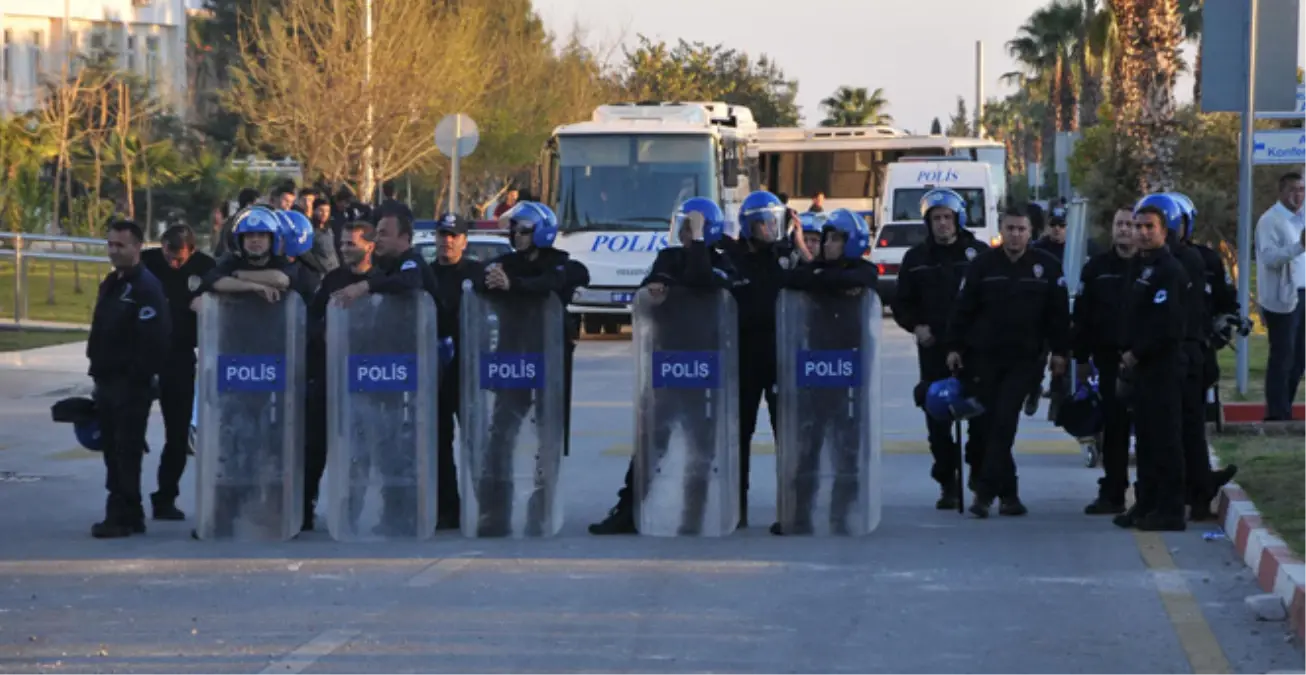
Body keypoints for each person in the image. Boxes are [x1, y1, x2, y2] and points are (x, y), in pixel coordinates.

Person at [589, 198, 738, 535]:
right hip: (668, 365)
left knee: (702, 447)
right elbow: (648, 289)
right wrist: (654, 288)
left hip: (704, 369)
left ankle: (694, 515)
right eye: (684, 228)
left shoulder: (721, 259)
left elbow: (704, 279)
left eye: (692, 228)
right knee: (650, 443)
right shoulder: (667, 257)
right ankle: (627, 511)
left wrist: (700, 241)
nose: (685, 235)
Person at [945, 204, 1070, 518]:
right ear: (1001, 230)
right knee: (986, 427)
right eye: (1010, 228)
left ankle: (984, 495)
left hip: (1025, 360)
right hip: (983, 359)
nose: (1015, 235)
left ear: (1031, 232)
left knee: (1004, 422)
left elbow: (1058, 317)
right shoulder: (982, 265)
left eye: (1021, 229)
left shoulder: (1047, 267)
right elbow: (963, 309)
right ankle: (1010, 495)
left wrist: (1060, 353)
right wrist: (954, 347)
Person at [473, 201, 590, 536]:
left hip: (549, 361)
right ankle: (493, 512)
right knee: (501, 436)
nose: (516, 235)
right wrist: (493, 279)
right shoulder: (505, 263)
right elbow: (482, 278)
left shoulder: (560, 262)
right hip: (513, 361)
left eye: (523, 230)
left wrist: (516, 286)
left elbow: (570, 277)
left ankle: (541, 509)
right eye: (514, 229)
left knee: (547, 437)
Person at [773, 208, 878, 535]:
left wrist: (821, 279)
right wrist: (820, 277)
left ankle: (842, 513)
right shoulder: (814, 269)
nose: (827, 245)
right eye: (826, 238)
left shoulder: (865, 271)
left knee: (847, 447)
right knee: (808, 445)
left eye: (834, 239)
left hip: (849, 372)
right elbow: (791, 278)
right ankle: (799, 514)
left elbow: (855, 278)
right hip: (815, 370)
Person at [893, 188, 989, 508]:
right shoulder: (916, 259)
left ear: (958, 219)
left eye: (947, 218)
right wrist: (916, 327)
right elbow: (901, 303)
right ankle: (948, 481)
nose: (942, 224)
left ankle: (978, 471)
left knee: (980, 415)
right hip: (933, 349)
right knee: (937, 418)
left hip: (973, 350)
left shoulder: (979, 254)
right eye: (936, 219)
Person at [87, 220, 171, 538]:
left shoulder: (145, 288)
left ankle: (122, 514)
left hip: (130, 385)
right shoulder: (112, 283)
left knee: (126, 451)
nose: (113, 251)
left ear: (137, 247)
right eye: (110, 244)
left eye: (120, 245)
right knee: (113, 450)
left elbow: (156, 340)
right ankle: (129, 510)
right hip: (107, 382)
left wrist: (136, 377)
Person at [1115, 194, 1191, 532]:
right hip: (1140, 369)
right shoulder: (1139, 266)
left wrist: (1137, 352)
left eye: (1150, 227)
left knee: (1165, 440)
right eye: (1138, 227)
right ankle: (1146, 502)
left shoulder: (1169, 270)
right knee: (1144, 440)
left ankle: (1171, 510)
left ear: (1164, 231)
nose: (1143, 233)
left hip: (1163, 366)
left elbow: (1168, 326)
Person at [719, 190, 790, 528]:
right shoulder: (734, 259)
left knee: (788, 434)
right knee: (739, 435)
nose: (771, 229)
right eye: (765, 223)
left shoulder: (786, 256)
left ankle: (790, 506)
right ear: (749, 225)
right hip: (744, 359)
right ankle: (737, 506)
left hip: (780, 359)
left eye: (775, 221)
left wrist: (801, 248)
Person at [302, 220, 377, 531]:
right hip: (329, 374)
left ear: (370, 245)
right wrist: (324, 335)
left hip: (367, 379)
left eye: (351, 243)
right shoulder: (333, 278)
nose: (345, 249)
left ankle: (352, 510)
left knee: (360, 450)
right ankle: (305, 506)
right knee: (314, 445)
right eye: (342, 243)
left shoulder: (381, 278)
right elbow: (313, 318)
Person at [1167, 193, 1238, 519]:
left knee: (1193, 424)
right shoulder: (1147, 261)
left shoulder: (1206, 259)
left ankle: (1199, 490)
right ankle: (1184, 487)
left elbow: (1226, 301)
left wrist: (1226, 324)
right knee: (1169, 428)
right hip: (1163, 355)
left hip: (1198, 351)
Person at [139, 225, 215, 522]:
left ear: (191, 251)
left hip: (180, 357)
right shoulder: (146, 263)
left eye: (179, 259)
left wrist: (207, 301)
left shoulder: (205, 268)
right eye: (169, 256)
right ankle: (126, 499)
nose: (173, 263)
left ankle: (165, 497)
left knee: (178, 434)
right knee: (129, 433)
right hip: (143, 356)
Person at [1072, 206, 1138, 515]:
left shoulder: (1152, 265)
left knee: (1152, 430)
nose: (1124, 229)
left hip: (1147, 360)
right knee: (1115, 429)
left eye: (1130, 224)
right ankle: (1113, 492)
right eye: (1119, 224)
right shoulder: (1097, 267)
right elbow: (1082, 317)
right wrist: (1081, 359)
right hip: (1109, 360)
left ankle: (1151, 493)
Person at [430, 213, 483, 530]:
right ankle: (447, 509)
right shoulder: (427, 274)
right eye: (442, 235)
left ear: (464, 240)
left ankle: (486, 505)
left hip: (470, 369)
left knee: (477, 442)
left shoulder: (477, 272)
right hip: (436, 371)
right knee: (438, 442)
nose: (446, 241)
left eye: (453, 235)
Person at [1254, 172, 1306, 421]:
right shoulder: (1270, 221)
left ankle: (1285, 407)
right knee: (1282, 356)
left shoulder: (1300, 220)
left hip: (1303, 293)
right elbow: (1270, 258)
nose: (1298, 196)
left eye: (1301, 190)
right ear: (1281, 192)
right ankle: (1276, 414)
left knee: (1299, 357)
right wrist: (1299, 246)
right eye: (1293, 190)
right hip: (1284, 298)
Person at [330, 202, 437, 307]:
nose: (376, 239)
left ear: (404, 237)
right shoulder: (385, 266)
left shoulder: (412, 261)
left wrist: (365, 286)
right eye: (377, 234)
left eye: (383, 234)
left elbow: (409, 280)